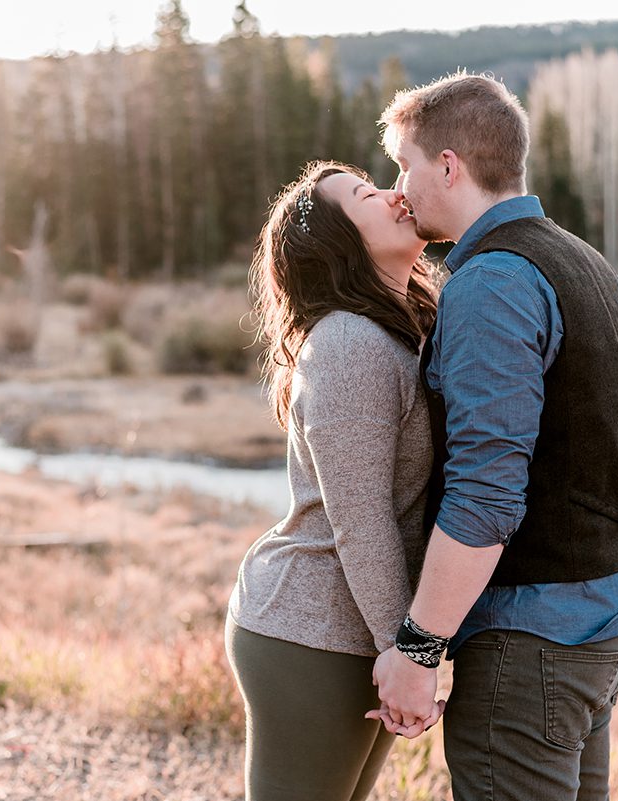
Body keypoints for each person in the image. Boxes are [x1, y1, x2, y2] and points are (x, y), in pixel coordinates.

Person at [368, 73, 618, 801]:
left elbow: (488, 494)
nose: (400, 187)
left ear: (450, 165)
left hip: (533, 640)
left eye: (406, 164)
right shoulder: (588, 263)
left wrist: (418, 646)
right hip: (605, 618)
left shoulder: (493, 282)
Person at [225, 160, 441, 801]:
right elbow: (361, 517)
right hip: (309, 632)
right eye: (366, 195)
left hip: (358, 633)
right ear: (338, 244)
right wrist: (408, 654)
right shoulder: (349, 343)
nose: (393, 194)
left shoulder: (401, 329)